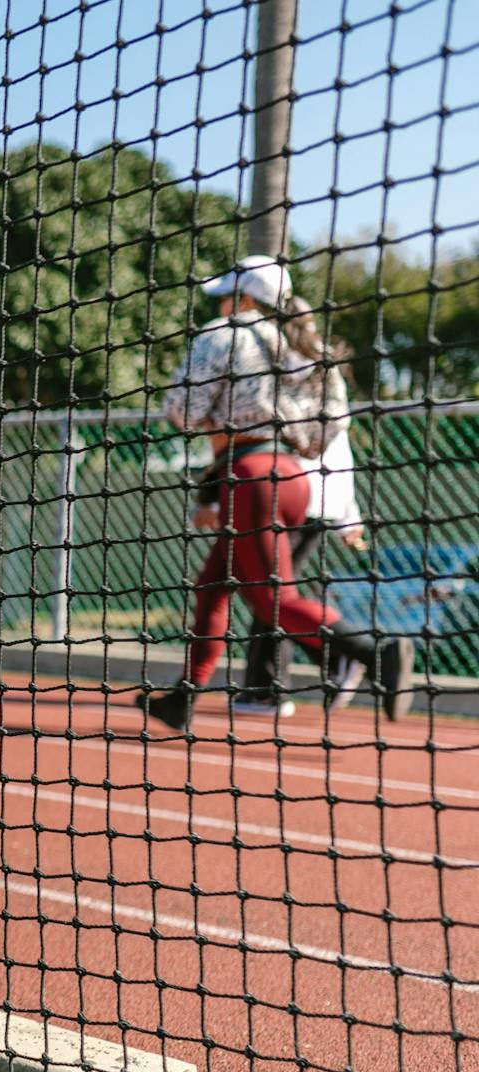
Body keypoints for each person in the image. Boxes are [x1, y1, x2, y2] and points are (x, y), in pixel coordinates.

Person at [139, 257, 414, 732]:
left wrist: (216, 417)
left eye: (227, 294)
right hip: (290, 474)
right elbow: (325, 430)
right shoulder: (300, 342)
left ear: (245, 298)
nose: (222, 303)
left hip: (249, 476)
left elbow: (182, 409)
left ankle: (375, 651)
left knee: (272, 601)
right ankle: (181, 699)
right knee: (212, 586)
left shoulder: (225, 332)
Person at [233, 411, 367, 717]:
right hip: (309, 500)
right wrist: (348, 514)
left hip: (289, 498)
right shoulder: (322, 378)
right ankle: (268, 687)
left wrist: (350, 515)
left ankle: (331, 657)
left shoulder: (283, 380)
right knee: (266, 593)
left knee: (270, 595)